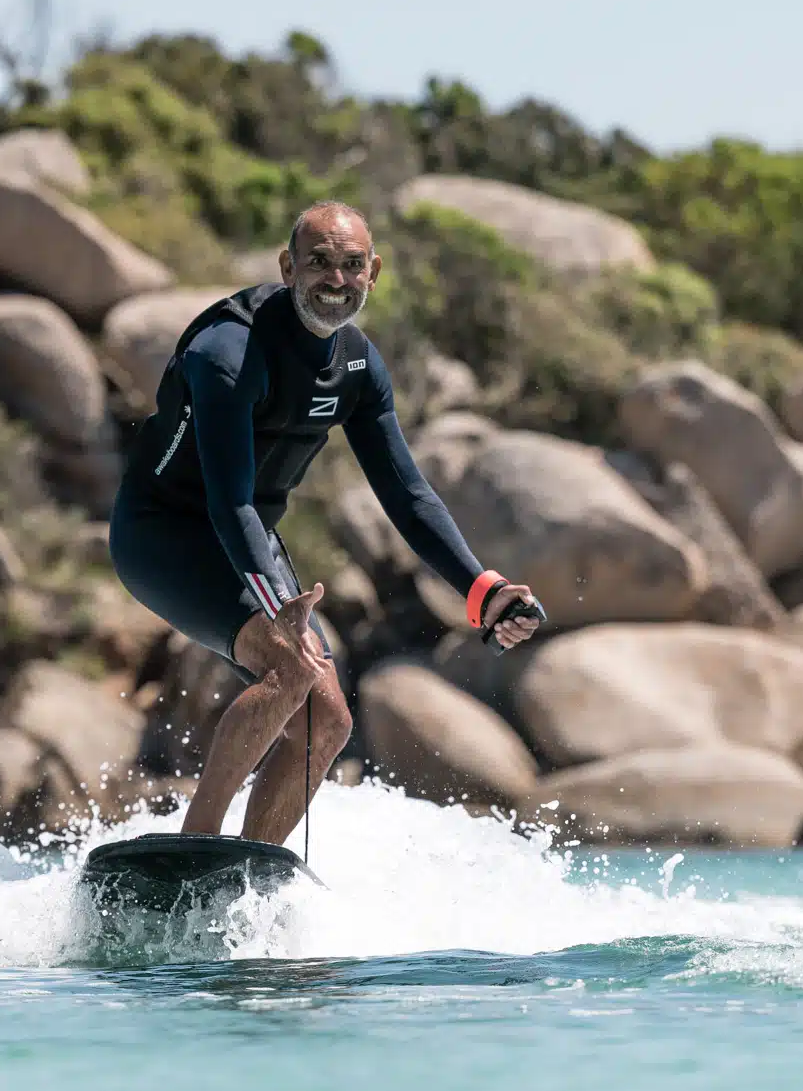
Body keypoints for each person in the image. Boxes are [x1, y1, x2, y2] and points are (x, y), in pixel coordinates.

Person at [109, 201, 542, 845]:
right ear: (288, 268)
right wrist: (277, 607)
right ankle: (194, 848)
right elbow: (228, 501)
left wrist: (483, 590)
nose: (336, 280)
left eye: (352, 265)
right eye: (319, 263)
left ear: (373, 274)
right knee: (290, 668)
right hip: (164, 535)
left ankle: (250, 868)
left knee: (328, 721)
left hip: (248, 538)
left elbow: (407, 495)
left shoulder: (358, 365)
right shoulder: (228, 351)